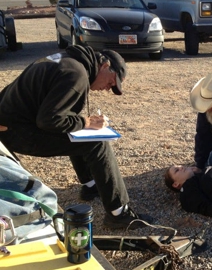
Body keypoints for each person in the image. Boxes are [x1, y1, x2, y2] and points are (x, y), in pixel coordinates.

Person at [0, 45, 151, 229]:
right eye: (111, 82)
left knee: (78, 134)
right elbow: (49, 120)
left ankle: (91, 186)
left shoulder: (64, 60)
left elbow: (16, 88)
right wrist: (86, 123)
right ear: (104, 65)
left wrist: (81, 122)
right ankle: (119, 213)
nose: (106, 89)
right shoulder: (76, 74)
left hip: (10, 126)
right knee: (97, 143)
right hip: (16, 133)